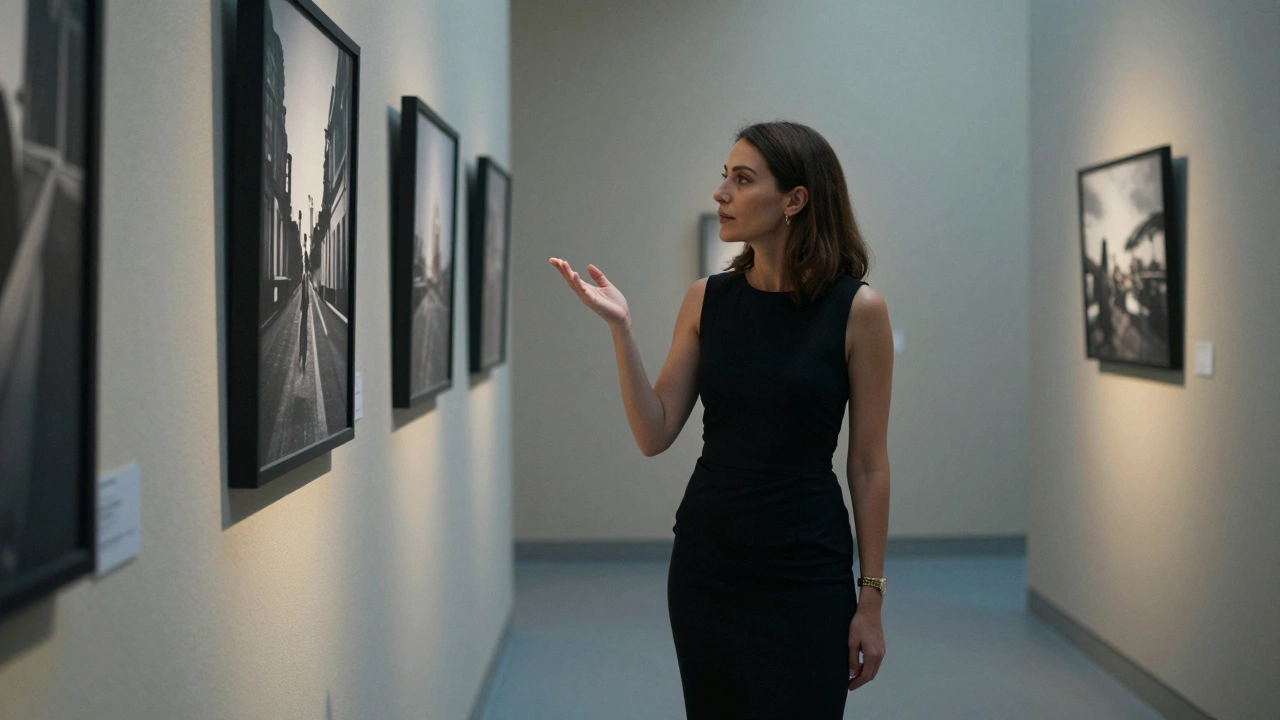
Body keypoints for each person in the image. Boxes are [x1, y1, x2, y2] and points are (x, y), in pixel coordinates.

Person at [549, 120, 892, 717]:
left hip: (807, 565)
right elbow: (654, 432)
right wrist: (621, 329)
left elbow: (867, 465)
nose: (720, 193)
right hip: (711, 564)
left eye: (742, 179)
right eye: (723, 176)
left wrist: (871, 600)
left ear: (794, 200)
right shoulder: (707, 298)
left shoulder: (858, 310)